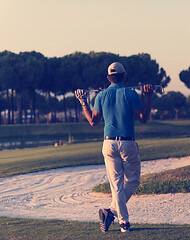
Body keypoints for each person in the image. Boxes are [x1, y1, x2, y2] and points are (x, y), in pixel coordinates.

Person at [75, 62, 153, 233]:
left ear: (108, 78)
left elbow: (92, 122)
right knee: (132, 181)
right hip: (127, 143)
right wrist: (148, 96)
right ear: (124, 76)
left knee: (116, 185)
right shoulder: (131, 93)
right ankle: (122, 221)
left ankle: (111, 212)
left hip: (108, 143)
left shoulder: (101, 96)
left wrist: (83, 102)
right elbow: (143, 118)